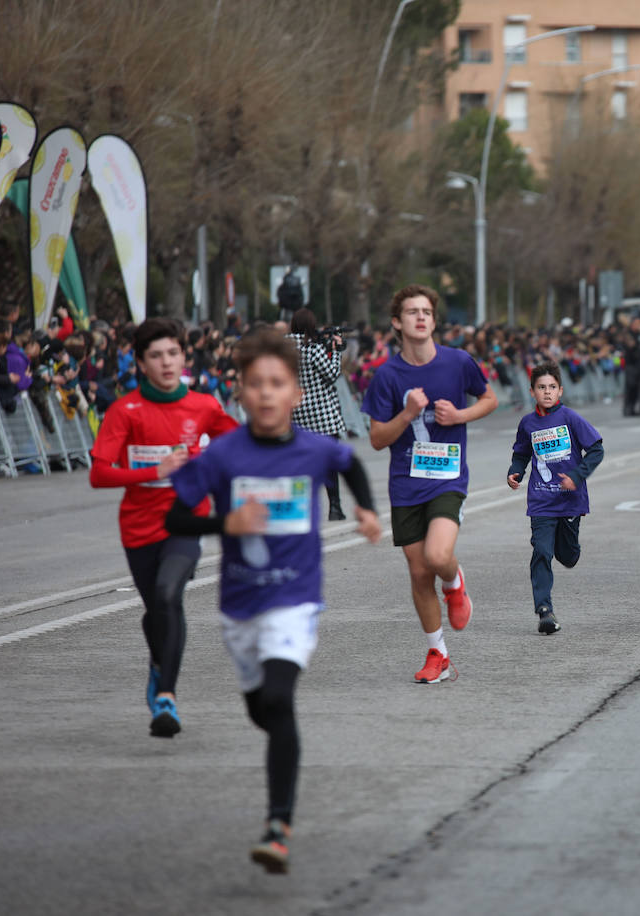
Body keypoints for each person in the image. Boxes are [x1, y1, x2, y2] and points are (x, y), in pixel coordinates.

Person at [165, 328, 382, 873]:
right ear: (239, 391)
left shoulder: (313, 448)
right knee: (261, 709)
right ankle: (280, 750)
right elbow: (175, 516)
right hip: (240, 603)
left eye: (277, 384)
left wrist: (367, 510)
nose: (266, 394)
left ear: (296, 394)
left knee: (280, 700)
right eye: (255, 384)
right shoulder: (224, 456)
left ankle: (277, 825)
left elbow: (349, 461)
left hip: (295, 595)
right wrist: (225, 521)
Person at [88, 318, 238, 738]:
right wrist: (155, 469)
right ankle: (158, 663)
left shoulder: (204, 406)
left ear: (184, 357)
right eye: (156, 356)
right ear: (140, 362)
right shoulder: (125, 410)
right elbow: (99, 474)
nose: (166, 362)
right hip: (138, 526)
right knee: (157, 609)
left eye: (173, 353)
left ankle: (166, 696)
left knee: (170, 593)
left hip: (185, 521)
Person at [362, 284, 497, 684]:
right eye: (411, 312)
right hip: (405, 484)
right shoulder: (386, 376)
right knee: (419, 573)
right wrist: (407, 414)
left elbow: (489, 398)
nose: (420, 317)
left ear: (434, 320)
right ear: (396, 322)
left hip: (447, 479)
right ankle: (437, 652)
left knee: (438, 558)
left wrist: (459, 416)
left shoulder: (457, 362)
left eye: (426, 312)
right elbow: (376, 438)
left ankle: (455, 584)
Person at [506, 363, 605, 634]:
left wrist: (577, 475)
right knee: (541, 551)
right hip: (541, 500)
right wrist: (515, 472)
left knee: (568, 556)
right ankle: (544, 610)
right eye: (541, 388)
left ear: (560, 390)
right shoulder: (527, 423)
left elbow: (596, 449)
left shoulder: (571, 418)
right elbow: (521, 453)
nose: (547, 392)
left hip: (570, 500)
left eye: (551, 387)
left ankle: (568, 548)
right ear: (532, 392)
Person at [286, 308, 350, 520]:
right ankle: (335, 507)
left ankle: (300, 507)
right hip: (321, 413)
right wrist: (336, 351)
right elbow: (331, 374)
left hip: (295, 411)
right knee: (329, 461)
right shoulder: (312, 347)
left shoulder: (283, 347)